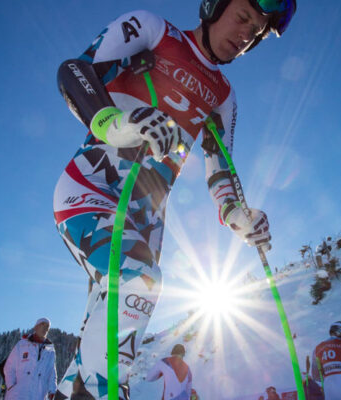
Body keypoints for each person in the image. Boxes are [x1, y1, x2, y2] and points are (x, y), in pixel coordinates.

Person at [53, 0, 296, 398]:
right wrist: (114, 124)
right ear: (213, 7)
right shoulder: (152, 29)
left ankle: (74, 390)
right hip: (93, 187)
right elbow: (76, 71)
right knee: (140, 281)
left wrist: (238, 214)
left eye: (254, 34)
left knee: (107, 324)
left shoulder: (224, 95)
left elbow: (222, 169)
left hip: (147, 220)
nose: (243, 37)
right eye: (242, 19)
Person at [3, 317, 58, 400]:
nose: (45, 328)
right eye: (43, 325)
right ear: (36, 327)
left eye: (47, 327)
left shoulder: (50, 350)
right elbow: (9, 366)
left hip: (39, 394)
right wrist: (12, 386)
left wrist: (52, 391)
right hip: (18, 394)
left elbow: (52, 373)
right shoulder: (22, 344)